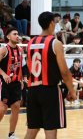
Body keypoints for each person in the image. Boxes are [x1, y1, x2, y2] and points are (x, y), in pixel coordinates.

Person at [24, 11, 76, 139]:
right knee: (50, 130)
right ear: (52, 23)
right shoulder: (55, 43)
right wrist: (72, 91)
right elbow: (64, 72)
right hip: (49, 91)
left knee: (32, 130)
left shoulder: (30, 43)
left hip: (32, 91)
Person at [0, 27, 23, 139]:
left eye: (18, 34)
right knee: (2, 109)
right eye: (14, 34)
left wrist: (22, 79)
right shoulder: (4, 50)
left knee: (16, 106)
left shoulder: (20, 50)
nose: (17, 36)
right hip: (4, 83)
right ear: (8, 36)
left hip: (16, 83)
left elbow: (19, 66)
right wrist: (4, 74)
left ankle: (11, 134)